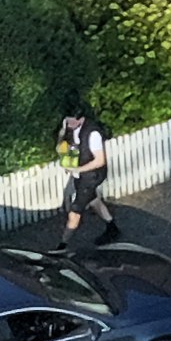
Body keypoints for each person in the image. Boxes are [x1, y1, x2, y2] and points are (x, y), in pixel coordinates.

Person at [56, 102, 111, 245]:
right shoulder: (69, 125)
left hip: (92, 175)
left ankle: (63, 246)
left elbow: (100, 161)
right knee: (94, 200)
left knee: (75, 212)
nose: (69, 124)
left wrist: (77, 170)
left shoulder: (93, 134)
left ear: (81, 119)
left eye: (72, 122)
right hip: (80, 174)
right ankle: (112, 227)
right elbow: (62, 145)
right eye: (67, 121)